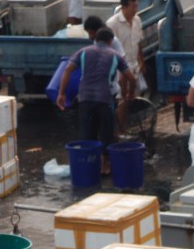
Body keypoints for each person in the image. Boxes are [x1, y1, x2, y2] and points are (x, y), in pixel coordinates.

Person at [56, 27, 137, 175]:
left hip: (85, 98)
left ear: (95, 39)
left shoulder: (83, 52)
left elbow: (67, 70)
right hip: (105, 99)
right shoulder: (116, 55)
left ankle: (90, 166)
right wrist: (129, 94)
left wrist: (61, 94)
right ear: (110, 41)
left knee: (88, 132)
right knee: (107, 133)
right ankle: (105, 166)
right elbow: (131, 78)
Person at [107, 0, 145, 133]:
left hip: (134, 65)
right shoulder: (112, 24)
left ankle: (121, 129)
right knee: (121, 100)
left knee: (129, 99)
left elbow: (139, 42)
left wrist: (142, 61)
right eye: (133, 6)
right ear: (124, 7)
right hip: (119, 68)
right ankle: (116, 131)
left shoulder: (137, 20)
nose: (135, 10)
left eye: (136, 6)